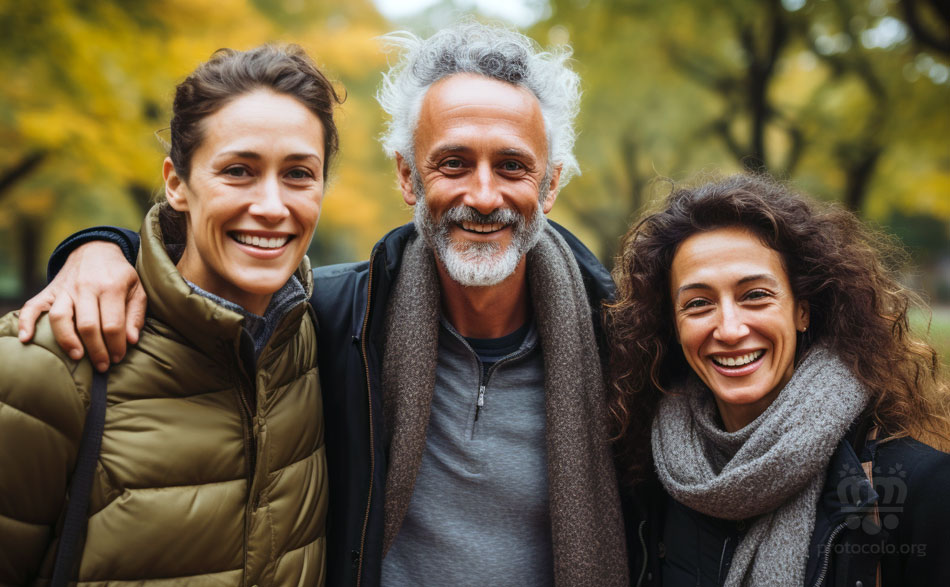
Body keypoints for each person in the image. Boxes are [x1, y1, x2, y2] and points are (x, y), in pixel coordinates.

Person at [18, 23, 629, 586]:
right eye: (453, 163)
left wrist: (102, 247)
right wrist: (102, 249)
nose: (484, 193)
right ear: (408, 177)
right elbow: (207, 298)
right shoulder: (337, 320)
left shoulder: (623, 347)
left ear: (550, 185)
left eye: (514, 166)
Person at [0, 44, 340, 584]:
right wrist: (94, 246)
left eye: (299, 173)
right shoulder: (46, 363)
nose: (273, 206)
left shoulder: (326, 341)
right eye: (238, 171)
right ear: (177, 184)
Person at [606, 174, 950, 586]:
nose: (730, 329)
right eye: (698, 304)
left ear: (802, 310)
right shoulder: (647, 478)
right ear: (673, 327)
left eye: (755, 295)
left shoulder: (917, 485)